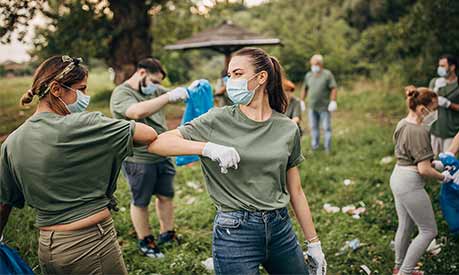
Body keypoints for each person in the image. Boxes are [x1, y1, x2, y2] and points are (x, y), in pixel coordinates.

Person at [149, 47, 326, 275]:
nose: (230, 81)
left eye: (238, 74)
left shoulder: (287, 128)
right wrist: (207, 148)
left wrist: (314, 244)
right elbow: (158, 143)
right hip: (235, 232)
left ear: (261, 77)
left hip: (280, 227)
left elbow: (297, 190)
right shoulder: (217, 119)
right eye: (229, 75)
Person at [0, 56, 159, 275]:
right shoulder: (84, 124)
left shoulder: (12, 142)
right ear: (56, 89)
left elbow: (4, 204)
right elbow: (148, 134)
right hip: (90, 243)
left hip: (47, 247)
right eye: (81, 89)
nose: (85, 96)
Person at [110, 58, 190, 258]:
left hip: (163, 152)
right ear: (142, 73)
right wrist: (169, 96)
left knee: (166, 196)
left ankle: (167, 233)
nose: (156, 87)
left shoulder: (153, 89)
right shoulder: (122, 93)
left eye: (159, 84)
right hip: (139, 158)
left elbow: (174, 95)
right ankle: (145, 240)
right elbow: (136, 112)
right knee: (141, 200)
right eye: (154, 81)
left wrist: (191, 89)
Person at [390, 85, 458, 275]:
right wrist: (443, 177)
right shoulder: (419, 131)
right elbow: (423, 169)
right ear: (422, 109)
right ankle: (405, 272)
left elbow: (412, 157)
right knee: (429, 231)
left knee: (405, 224)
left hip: (398, 175)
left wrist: (435, 163)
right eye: (434, 109)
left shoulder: (403, 123)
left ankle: (398, 267)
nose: (435, 113)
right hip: (410, 184)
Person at [300, 54, 337, 152]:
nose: (313, 66)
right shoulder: (309, 75)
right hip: (312, 107)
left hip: (324, 107)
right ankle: (314, 147)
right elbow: (305, 88)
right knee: (314, 127)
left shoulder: (327, 74)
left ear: (320, 64)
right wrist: (302, 100)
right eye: (312, 64)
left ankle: (327, 148)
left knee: (326, 128)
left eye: (315, 64)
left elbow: (333, 88)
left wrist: (333, 101)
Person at [428, 54, 459, 156]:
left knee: (448, 164)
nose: (439, 68)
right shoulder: (435, 82)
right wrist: (435, 90)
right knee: (431, 161)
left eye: (443, 66)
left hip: (451, 133)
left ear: (452, 67)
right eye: (439, 66)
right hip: (435, 130)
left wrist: (449, 104)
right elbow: (426, 104)